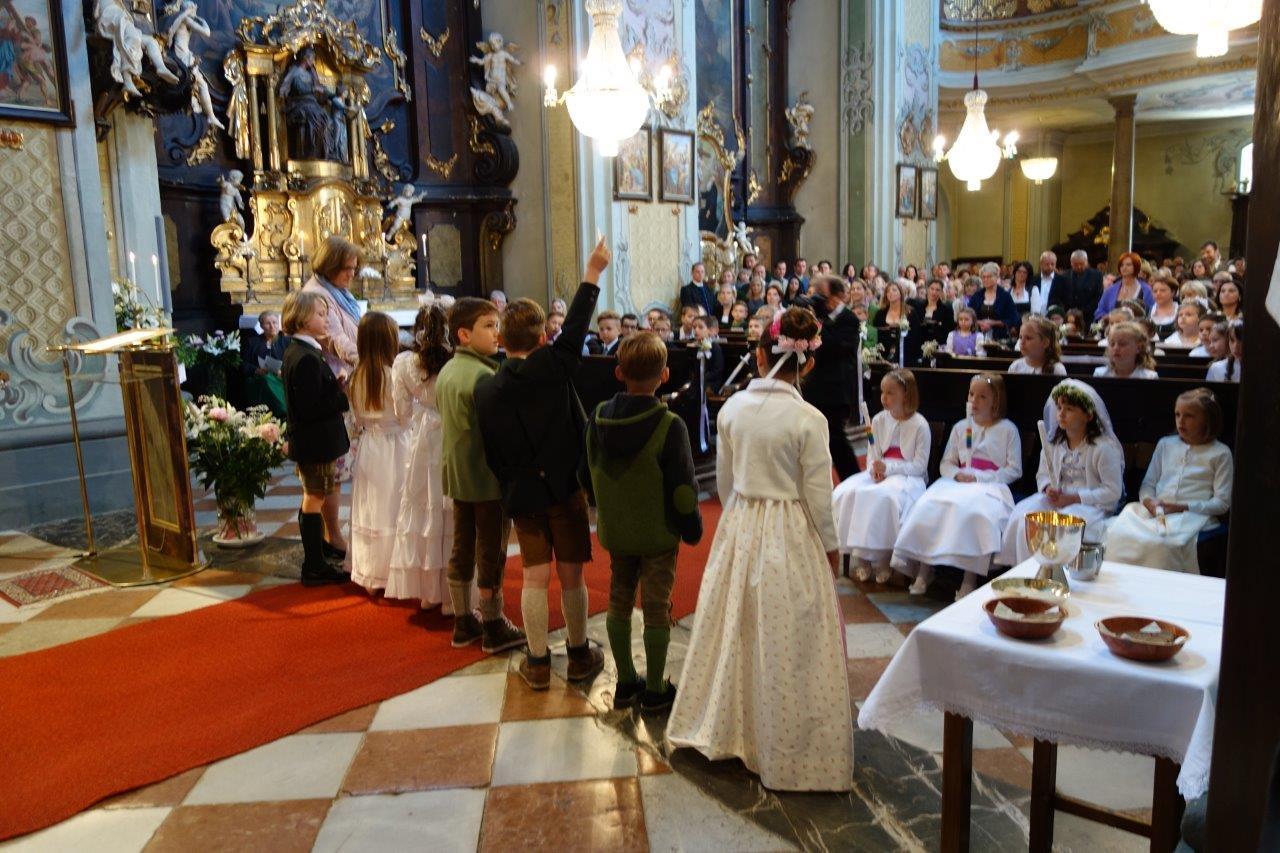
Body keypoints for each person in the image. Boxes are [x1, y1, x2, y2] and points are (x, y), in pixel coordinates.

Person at [667, 307, 853, 792]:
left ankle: (731, 728)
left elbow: (725, 482)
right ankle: (785, 742)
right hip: (790, 531)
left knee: (736, 626)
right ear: (809, 363)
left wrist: (740, 519)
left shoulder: (733, 409)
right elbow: (818, 495)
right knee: (786, 633)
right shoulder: (809, 418)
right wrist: (830, 546)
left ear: (759, 355)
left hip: (742, 523)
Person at [474, 239, 611, 689]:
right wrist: (592, 273)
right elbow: (575, 326)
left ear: (500, 341)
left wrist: (512, 483)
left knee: (534, 575)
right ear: (541, 338)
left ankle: (535, 661)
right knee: (571, 573)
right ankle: (578, 654)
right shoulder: (554, 366)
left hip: (522, 493)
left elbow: (491, 451)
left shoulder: (486, 389)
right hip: (565, 488)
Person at [581, 332, 703, 711]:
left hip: (617, 530)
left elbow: (585, 472)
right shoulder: (669, 425)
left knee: (618, 599)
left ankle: (625, 682)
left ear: (619, 372)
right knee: (656, 605)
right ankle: (655, 689)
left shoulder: (598, 417)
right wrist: (691, 527)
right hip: (657, 532)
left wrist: (604, 504)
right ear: (664, 375)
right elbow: (683, 489)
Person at [436, 297, 526, 653]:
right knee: (492, 551)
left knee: (462, 546)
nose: (496, 333)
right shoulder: (484, 376)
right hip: (487, 479)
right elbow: (500, 433)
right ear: (464, 334)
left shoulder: (448, 370)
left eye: (497, 325)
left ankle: (463, 621)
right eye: (488, 326)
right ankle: (492, 623)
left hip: (459, 476)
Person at [893, 373, 1022, 600]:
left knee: (974, 513)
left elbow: (1014, 469)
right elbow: (947, 462)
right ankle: (925, 568)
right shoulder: (961, 427)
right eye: (971, 394)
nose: (974, 401)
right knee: (929, 505)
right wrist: (957, 474)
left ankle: (969, 578)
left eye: (982, 397)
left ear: (996, 401)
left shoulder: (1007, 430)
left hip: (989, 485)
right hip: (957, 482)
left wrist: (982, 478)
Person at [995, 380, 1123, 567]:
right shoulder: (1054, 443)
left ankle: (1054, 572)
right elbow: (1043, 474)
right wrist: (1047, 488)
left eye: (1069, 409)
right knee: (1024, 515)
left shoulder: (1103, 448)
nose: (1061, 414)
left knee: (1059, 527)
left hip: (1090, 507)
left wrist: (1074, 498)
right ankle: (1026, 569)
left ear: (1088, 415)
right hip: (1057, 499)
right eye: (1059, 408)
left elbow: (1112, 491)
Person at [1104, 388, 1233, 573]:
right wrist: (1149, 501)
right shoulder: (1166, 444)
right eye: (1177, 414)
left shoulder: (1220, 453)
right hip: (1155, 511)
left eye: (1189, 416)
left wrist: (1181, 507)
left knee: (1161, 545)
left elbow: (1222, 503)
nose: (1181, 421)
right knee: (1118, 532)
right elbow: (1148, 484)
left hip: (1191, 516)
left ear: (1207, 420)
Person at [387, 301, 459, 611]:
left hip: (422, 440)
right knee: (450, 512)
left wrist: (421, 412)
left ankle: (429, 593)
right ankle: (453, 596)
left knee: (425, 511)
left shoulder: (404, 362)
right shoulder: (457, 359)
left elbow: (401, 412)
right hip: (453, 433)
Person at [279, 290, 350, 586]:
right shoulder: (305, 357)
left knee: (314, 495)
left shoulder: (302, 350)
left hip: (313, 440)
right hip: (315, 441)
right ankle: (314, 566)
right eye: (320, 315)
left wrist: (333, 385)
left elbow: (310, 396)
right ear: (302, 319)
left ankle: (318, 550)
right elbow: (310, 408)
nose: (326, 319)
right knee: (314, 497)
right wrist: (342, 396)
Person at [832, 369, 929, 584]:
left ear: (906, 394)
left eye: (890, 393)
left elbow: (919, 466)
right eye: (882, 392)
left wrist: (889, 469)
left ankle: (884, 558)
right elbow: (872, 454)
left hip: (907, 477)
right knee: (848, 492)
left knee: (885, 498)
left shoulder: (920, 424)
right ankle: (862, 556)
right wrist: (874, 470)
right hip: (881, 473)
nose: (884, 397)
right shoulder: (877, 420)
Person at [347, 313, 411, 593]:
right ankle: (395, 572)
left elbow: (357, 419)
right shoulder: (393, 374)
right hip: (397, 445)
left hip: (371, 446)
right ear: (389, 340)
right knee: (396, 506)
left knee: (372, 508)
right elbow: (405, 416)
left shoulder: (356, 375)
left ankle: (371, 574)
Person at [803, 274, 861, 481]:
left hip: (836, 391)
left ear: (837, 297)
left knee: (836, 439)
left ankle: (852, 480)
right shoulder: (816, 317)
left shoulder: (849, 319)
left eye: (822, 295)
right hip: (813, 387)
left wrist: (820, 321)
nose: (818, 300)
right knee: (811, 438)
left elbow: (836, 348)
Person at [301, 235, 363, 381]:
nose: (352, 274)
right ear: (330, 266)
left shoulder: (337, 290)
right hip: (337, 376)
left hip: (349, 371)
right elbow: (334, 338)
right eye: (347, 268)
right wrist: (365, 361)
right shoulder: (317, 295)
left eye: (354, 268)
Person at [241, 309, 289, 418]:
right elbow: (243, 364)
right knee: (265, 379)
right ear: (262, 326)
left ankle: (284, 412)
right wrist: (256, 370)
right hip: (260, 378)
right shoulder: (253, 342)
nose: (272, 326)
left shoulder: (286, 341)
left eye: (274, 322)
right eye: (268, 323)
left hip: (282, 377)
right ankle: (281, 412)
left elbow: (293, 362)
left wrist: (283, 371)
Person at [1093, 251, 1153, 321]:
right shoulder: (1111, 290)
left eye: (1128, 265)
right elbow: (1099, 312)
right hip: (1113, 326)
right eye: (1122, 265)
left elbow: (1152, 313)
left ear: (1136, 266)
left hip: (1137, 327)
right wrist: (1110, 318)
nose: (1124, 267)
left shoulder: (1146, 290)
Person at [1047, 249, 1104, 321]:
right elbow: (1057, 297)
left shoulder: (1096, 275)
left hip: (1089, 316)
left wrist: (1082, 311)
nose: (1079, 267)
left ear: (1086, 262)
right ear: (1071, 263)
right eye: (1076, 264)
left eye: (1082, 264)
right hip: (1067, 315)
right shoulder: (1064, 276)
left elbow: (1098, 297)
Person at [969, 262, 1020, 341]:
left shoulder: (1005, 296)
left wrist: (993, 323)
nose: (986, 279)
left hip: (1001, 337)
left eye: (989, 277)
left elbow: (1013, 319)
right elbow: (968, 315)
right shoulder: (976, 296)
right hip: (977, 336)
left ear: (997, 277)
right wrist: (980, 323)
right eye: (983, 277)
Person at [916, 278, 954, 347]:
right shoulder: (919, 307)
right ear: (927, 290)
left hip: (938, 343)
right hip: (919, 342)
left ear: (941, 292)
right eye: (932, 289)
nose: (934, 292)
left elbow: (949, 329)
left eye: (937, 290)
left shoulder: (946, 309)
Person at [690, 315, 725, 391]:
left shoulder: (715, 347)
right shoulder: (693, 346)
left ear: (710, 330)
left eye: (700, 327)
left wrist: (702, 378)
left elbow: (717, 370)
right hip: (696, 381)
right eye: (694, 327)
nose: (696, 330)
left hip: (711, 382)